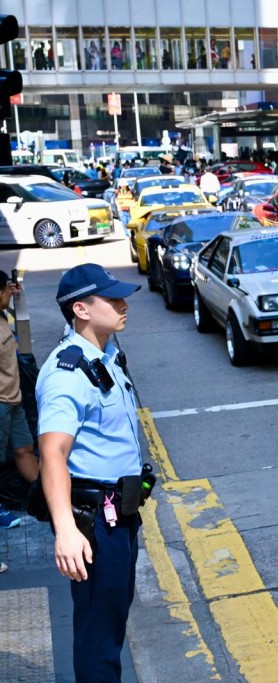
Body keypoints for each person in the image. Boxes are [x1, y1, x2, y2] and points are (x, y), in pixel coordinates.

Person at [36, 264, 144, 681]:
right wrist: (65, 529)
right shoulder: (68, 373)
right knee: (99, 637)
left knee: (110, 624)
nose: (123, 304)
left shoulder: (107, 356)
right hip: (95, 523)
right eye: (111, 298)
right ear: (81, 308)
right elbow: (52, 454)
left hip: (121, 515)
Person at [0, 272, 38, 529]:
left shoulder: (2, 316)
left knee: (24, 449)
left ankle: (45, 493)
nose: (8, 295)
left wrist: (14, 295)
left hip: (14, 401)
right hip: (1, 404)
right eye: (5, 291)